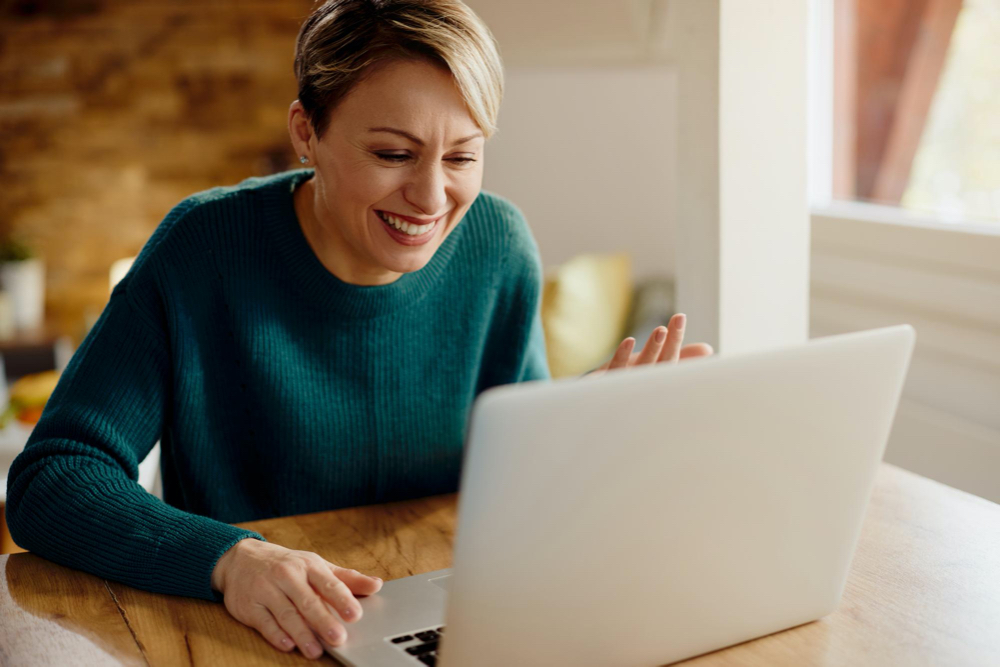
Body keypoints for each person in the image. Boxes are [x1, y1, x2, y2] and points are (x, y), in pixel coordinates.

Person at [4, 0, 712, 661]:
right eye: (393, 154)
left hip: (440, 623)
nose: (433, 198)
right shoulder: (202, 249)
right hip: (248, 634)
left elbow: (506, 486)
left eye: (462, 156)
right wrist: (229, 558)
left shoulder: (499, 246)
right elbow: (52, 477)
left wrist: (584, 433)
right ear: (306, 132)